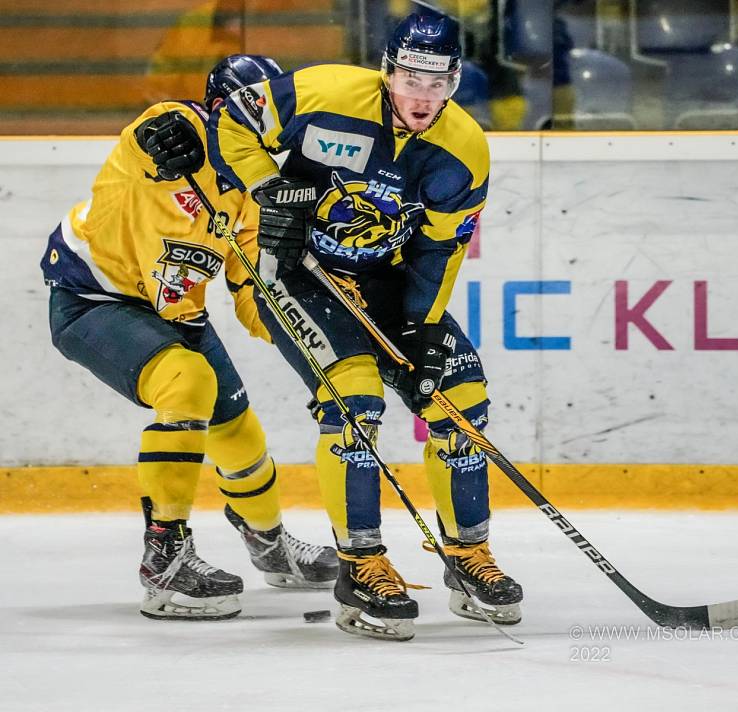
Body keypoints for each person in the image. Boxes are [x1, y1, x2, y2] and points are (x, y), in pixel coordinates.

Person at [207, 14, 523, 641]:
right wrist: (271, 189)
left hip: (387, 283)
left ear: (456, 81)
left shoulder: (463, 151)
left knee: (461, 399)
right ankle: (360, 565)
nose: (423, 97)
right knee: (354, 403)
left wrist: (425, 330)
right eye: (412, 77)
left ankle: (466, 556)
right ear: (387, 69)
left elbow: (440, 251)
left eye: (439, 82)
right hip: (298, 273)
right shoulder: (324, 93)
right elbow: (233, 123)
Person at [40, 54, 338, 622]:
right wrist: (160, 136)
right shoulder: (179, 132)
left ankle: (270, 545)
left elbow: (255, 291)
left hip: (179, 312)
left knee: (240, 429)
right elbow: (146, 134)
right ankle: (165, 559)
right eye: (239, 111)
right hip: (93, 298)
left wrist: (312, 336)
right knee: (188, 382)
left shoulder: (253, 189)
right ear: (217, 106)